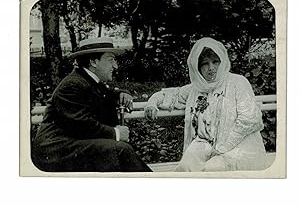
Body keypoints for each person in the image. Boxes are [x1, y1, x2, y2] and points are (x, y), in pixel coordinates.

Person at [144, 37, 266, 172]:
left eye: (215, 62)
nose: (211, 68)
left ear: (223, 62)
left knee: (212, 168)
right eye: (205, 64)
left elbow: (248, 120)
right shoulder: (196, 88)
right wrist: (152, 104)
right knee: (186, 166)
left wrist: (221, 149)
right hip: (204, 144)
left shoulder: (238, 82)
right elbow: (170, 95)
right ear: (197, 67)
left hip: (237, 145)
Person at [32, 37, 152, 172]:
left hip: (69, 147)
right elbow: (80, 124)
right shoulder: (73, 84)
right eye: (110, 60)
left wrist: (121, 94)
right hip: (55, 152)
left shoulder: (87, 81)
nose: (115, 66)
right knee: (120, 150)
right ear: (93, 62)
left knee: (118, 153)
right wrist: (116, 133)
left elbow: (105, 95)